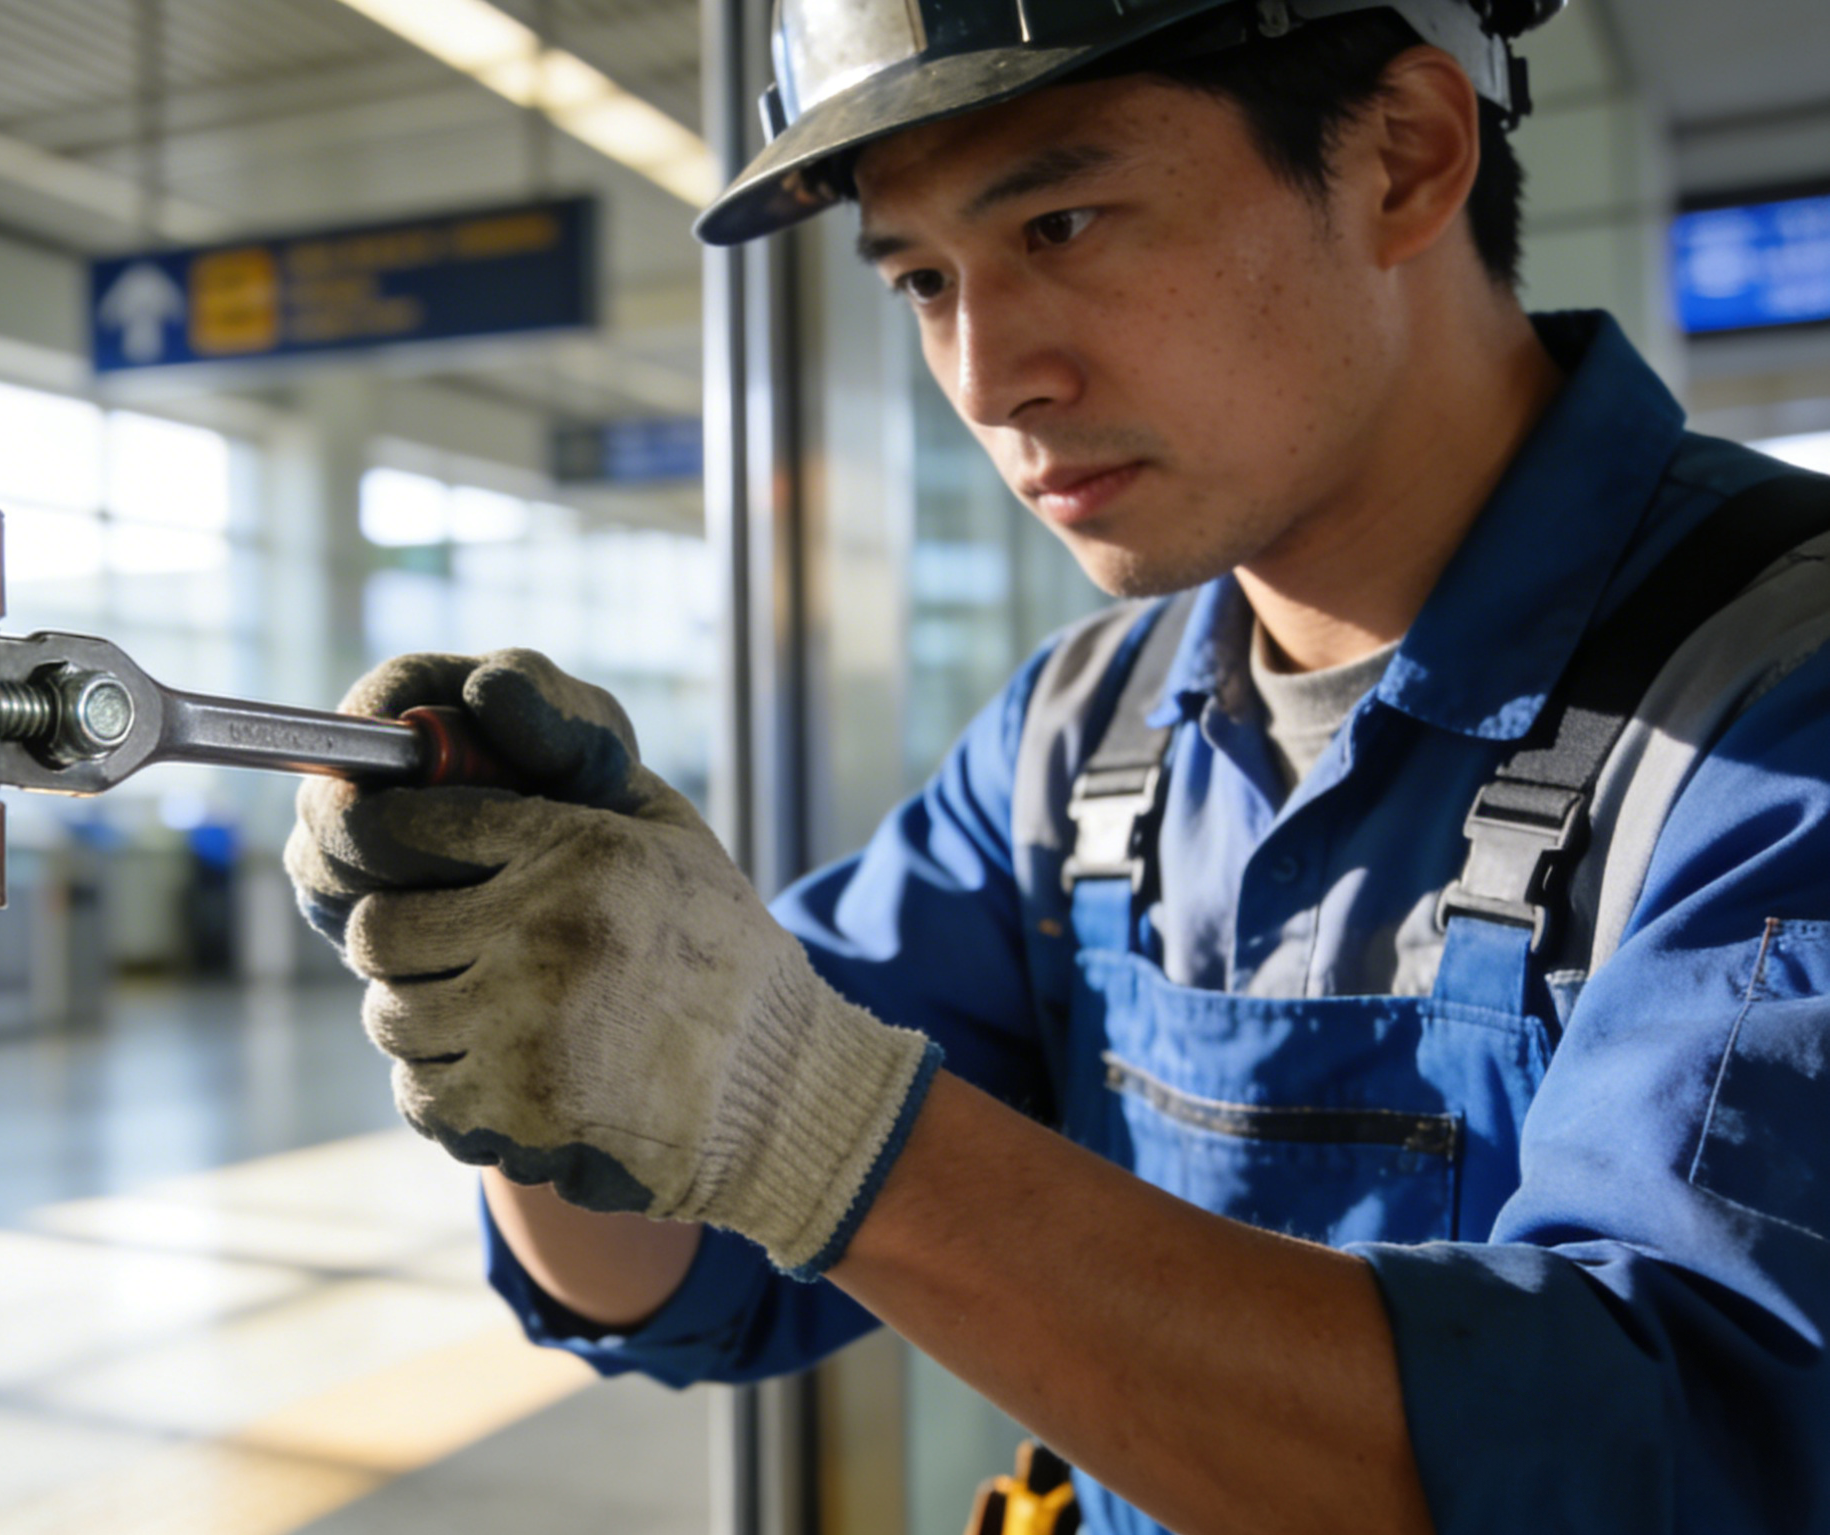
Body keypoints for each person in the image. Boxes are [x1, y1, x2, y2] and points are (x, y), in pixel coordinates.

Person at [283, 1, 1830, 1530]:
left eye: (1061, 224)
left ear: (1403, 158)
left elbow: (1678, 1462)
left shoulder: (1776, 701)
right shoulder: (1082, 731)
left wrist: (805, 1117)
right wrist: (538, 1014)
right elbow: (695, 1272)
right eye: (920, 278)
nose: (982, 377)